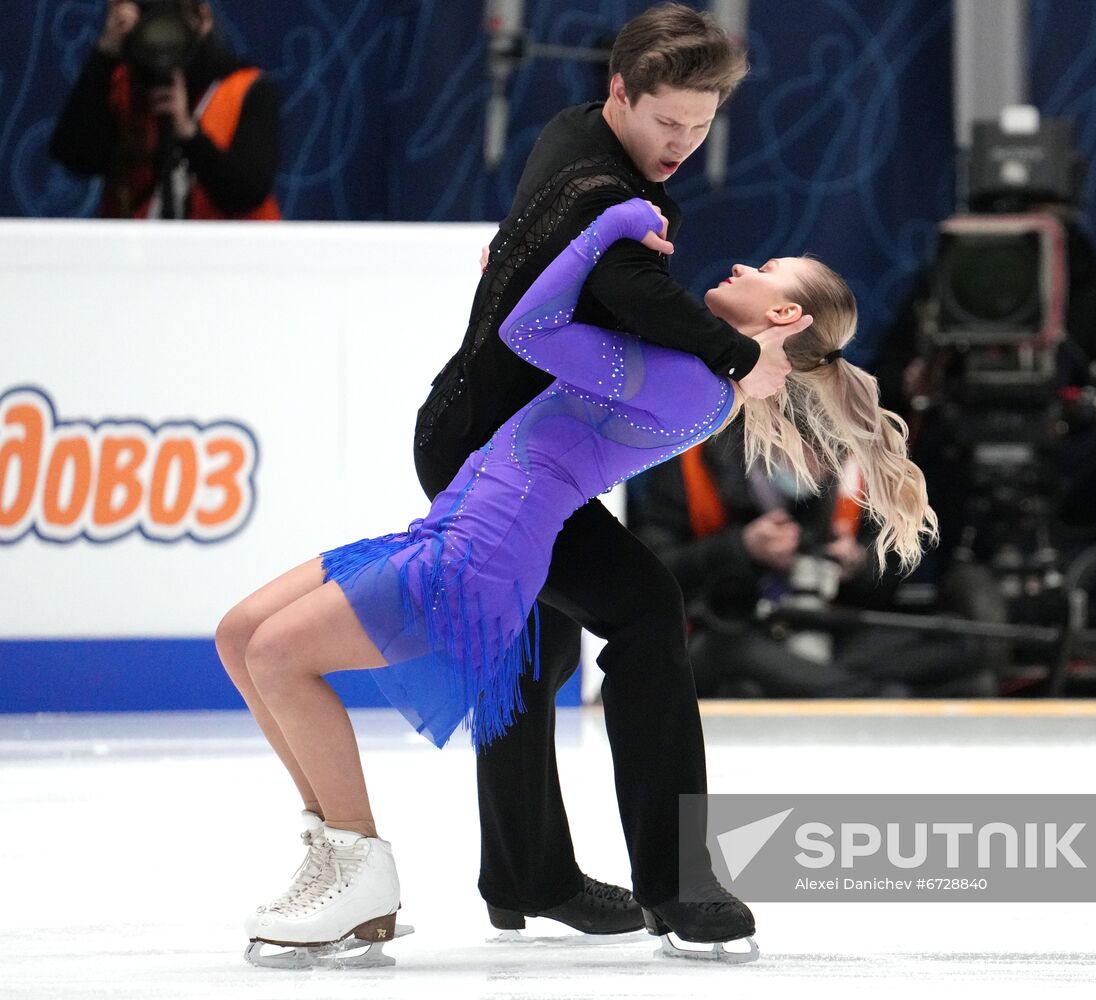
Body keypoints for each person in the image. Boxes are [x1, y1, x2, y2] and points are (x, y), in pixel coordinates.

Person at [214, 199, 935, 964]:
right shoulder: (691, 364)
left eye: (763, 273)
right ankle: (342, 848)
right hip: (454, 526)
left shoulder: (691, 381)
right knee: (239, 635)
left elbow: (532, 331)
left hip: (480, 554)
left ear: (783, 311)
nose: (740, 268)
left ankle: (360, 865)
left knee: (277, 658)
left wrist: (610, 224)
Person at [411, 4, 795, 947]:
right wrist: (738, 356)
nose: (682, 143)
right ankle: (680, 885)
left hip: (483, 434)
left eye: (701, 127)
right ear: (620, 91)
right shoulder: (600, 188)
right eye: (667, 122)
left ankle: (522, 875)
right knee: (644, 611)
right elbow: (626, 288)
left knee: (530, 650)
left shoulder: (573, 133)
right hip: (494, 456)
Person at [876, 206, 1096, 627]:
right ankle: (928, 597)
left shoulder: (1092, 282)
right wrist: (912, 380)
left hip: (1067, 451)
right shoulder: (949, 278)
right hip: (959, 450)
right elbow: (885, 381)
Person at [630, 414, 984, 697]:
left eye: (833, 451)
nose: (824, 464)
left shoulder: (851, 472)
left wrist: (860, 563)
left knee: (957, 648)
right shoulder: (691, 467)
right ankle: (878, 697)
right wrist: (740, 548)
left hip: (826, 629)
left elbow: (892, 573)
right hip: (729, 631)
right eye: (812, 450)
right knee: (730, 654)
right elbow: (649, 576)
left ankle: (827, 688)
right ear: (769, 438)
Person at [49, 0, 281, 220]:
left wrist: (189, 134)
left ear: (203, 18)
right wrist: (106, 51)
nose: (162, 30)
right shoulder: (120, 85)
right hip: (138, 256)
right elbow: (75, 157)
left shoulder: (246, 88)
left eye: (173, 13)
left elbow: (248, 192)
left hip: (231, 257)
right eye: (149, 11)